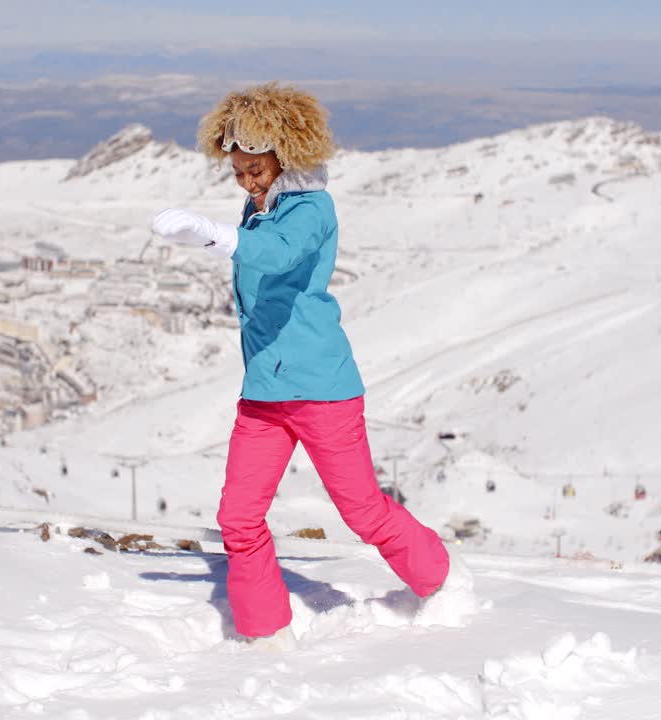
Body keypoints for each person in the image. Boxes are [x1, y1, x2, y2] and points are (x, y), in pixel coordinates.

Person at [152, 83, 467, 645]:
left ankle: (443, 581)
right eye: (238, 172)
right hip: (264, 395)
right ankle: (263, 634)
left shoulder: (312, 209)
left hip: (322, 390)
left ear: (285, 155)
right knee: (239, 520)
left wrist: (213, 235)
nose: (247, 182)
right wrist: (228, 230)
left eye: (255, 170)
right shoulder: (258, 208)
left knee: (364, 512)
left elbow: (277, 255)